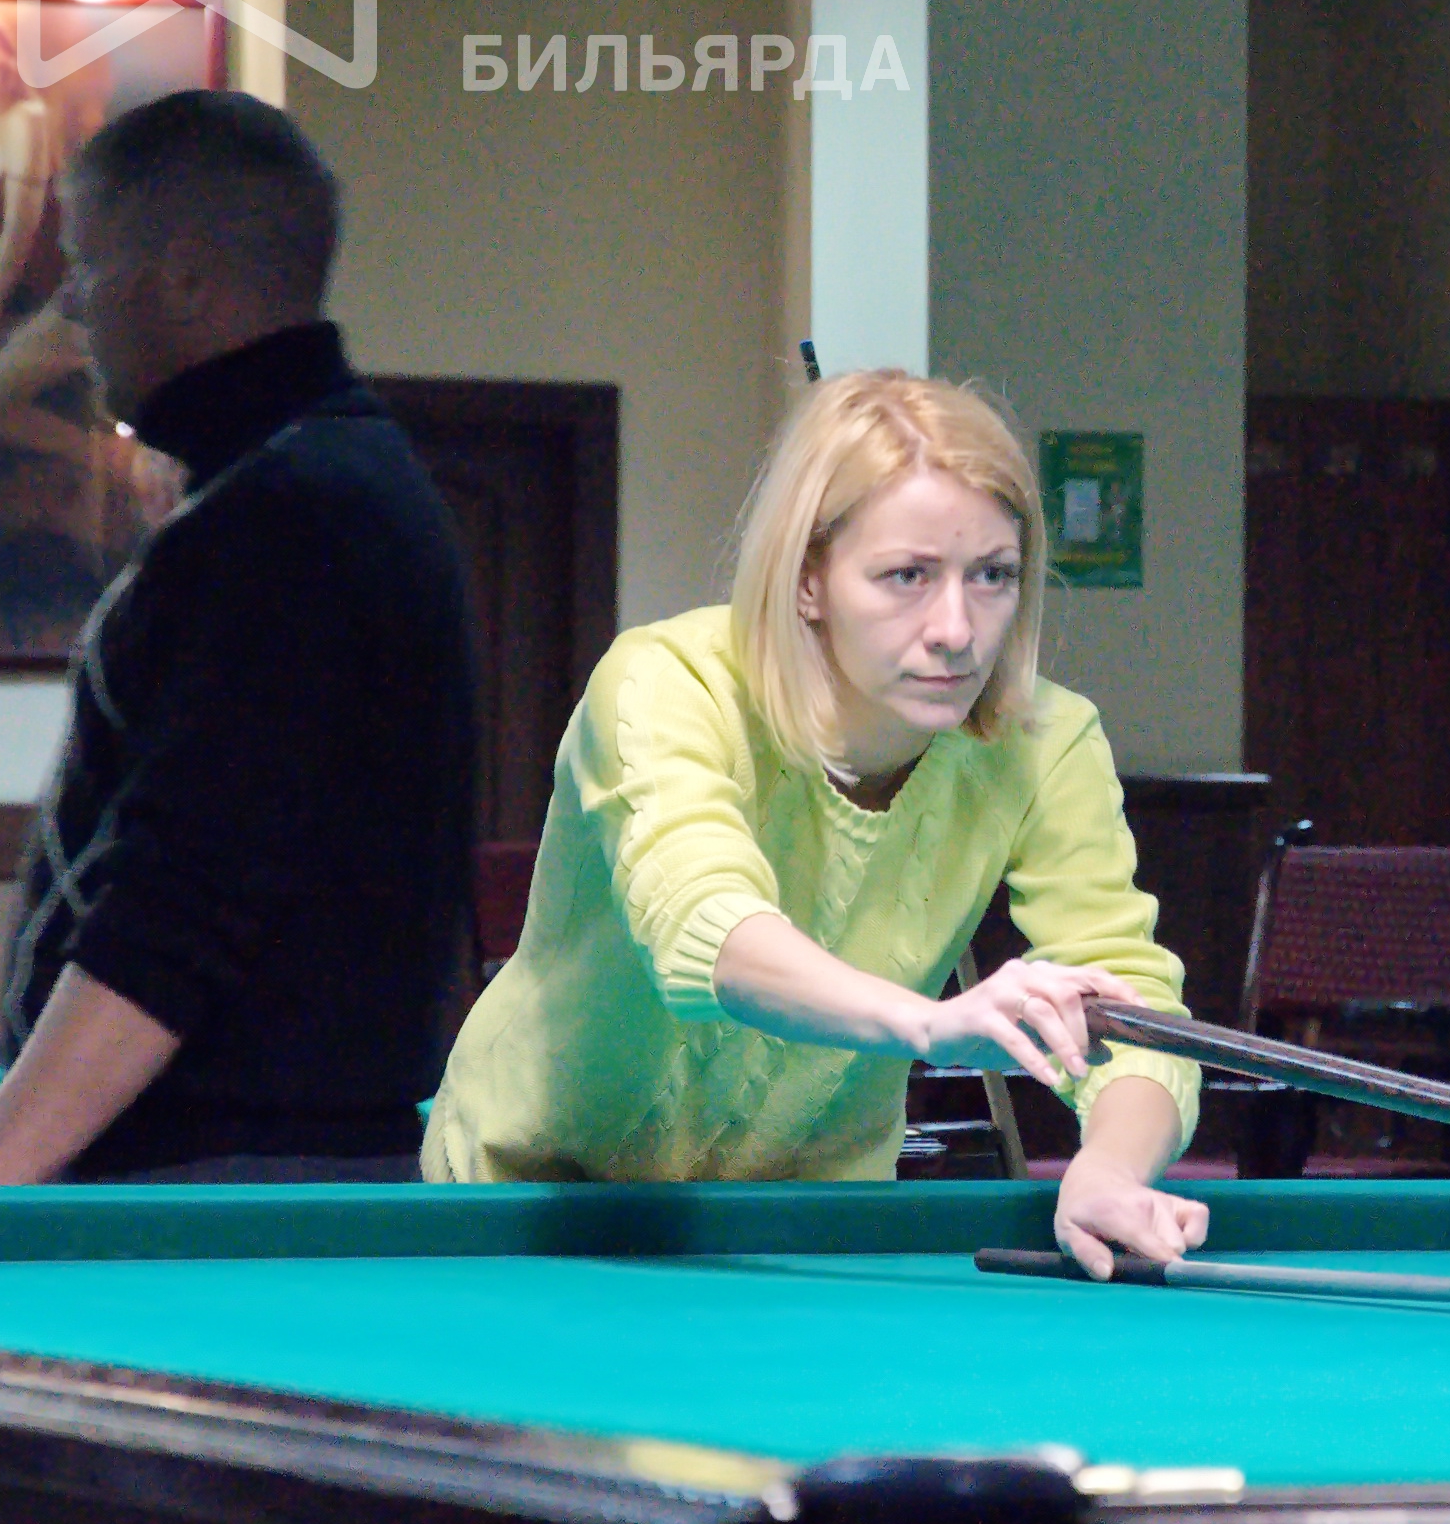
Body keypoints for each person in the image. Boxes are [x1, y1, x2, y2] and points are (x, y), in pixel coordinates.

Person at [422, 369, 1206, 1280]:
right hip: (527, 1206)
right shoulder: (666, 681)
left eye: (992, 575)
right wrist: (930, 1026)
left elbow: (1130, 1004)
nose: (956, 629)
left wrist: (1108, 1170)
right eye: (907, 576)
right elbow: (705, 931)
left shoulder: (1046, 741)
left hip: (806, 1233)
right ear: (807, 581)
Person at [0, 89, 478, 1182]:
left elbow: (178, 907)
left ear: (188, 279)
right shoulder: (323, 479)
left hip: (222, 1182)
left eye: (89, 263)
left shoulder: (290, 514)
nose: (71, 303)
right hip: (260, 1164)